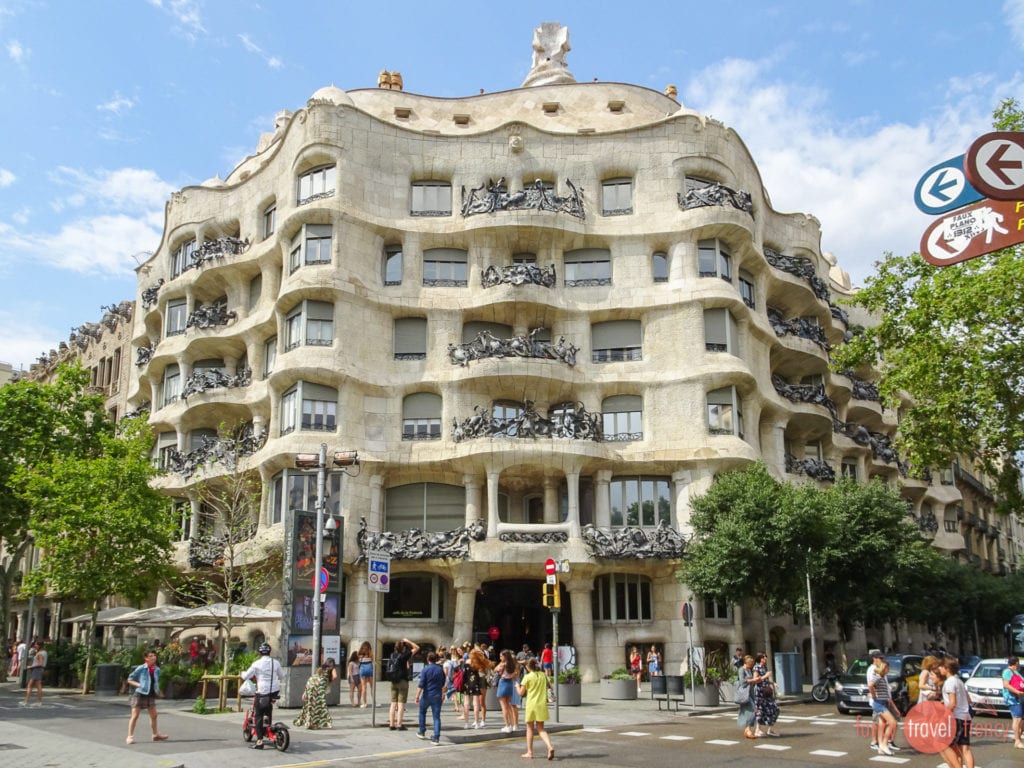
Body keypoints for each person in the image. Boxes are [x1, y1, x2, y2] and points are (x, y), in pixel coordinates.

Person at [240, 642, 284, 750]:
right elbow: (282, 675)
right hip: (274, 691)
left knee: (258, 714)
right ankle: (268, 726)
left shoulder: (256, 664)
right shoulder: (276, 663)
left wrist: (241, 673)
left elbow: (246, 676)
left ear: (260, 652)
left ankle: (259, 741)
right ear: (269, 652)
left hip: (263, 691)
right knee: (268, 708)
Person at [938, 656, 975, 768]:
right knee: (965, 749)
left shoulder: (949, 682)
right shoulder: (959, 681)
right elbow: (968, 700)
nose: (940, 669)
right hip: (965, 716)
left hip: (956, 718)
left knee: (944, 744)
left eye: (941, 667)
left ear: (947, 668)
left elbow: (953, 703)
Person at [126, 649, 168, 744]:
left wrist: (159, 692)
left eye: (154, 655)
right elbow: (130, 679)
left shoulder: (157, 669)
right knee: (135, 716)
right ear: (146, 658)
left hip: (150, 694)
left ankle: (155, 735)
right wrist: (139, 685)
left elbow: (155, 682)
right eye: (151, 656)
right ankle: (130, 737)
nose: (153, 657)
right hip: (140, 693)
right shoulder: (141, 668)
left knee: (154, 715)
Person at [516, 658, 555, 760]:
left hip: (531, 705)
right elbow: (551, 687)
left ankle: (530, 752)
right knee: (541, 729)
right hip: (542, 704)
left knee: (529, 728)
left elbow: (521, 693)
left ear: (528, 667)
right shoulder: (543, 675)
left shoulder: (527, 677)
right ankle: (549, 746)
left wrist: (516, 686)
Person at [866, 652, 899, 756]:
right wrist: (874, 696)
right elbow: (870, 685)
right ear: (883, 668)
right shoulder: (878, 675)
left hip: (883, 702)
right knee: (893, 722)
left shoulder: (882, 676)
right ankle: (884, 744)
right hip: (879, 703)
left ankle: (881, 746)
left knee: (882, 724)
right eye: (887, 668)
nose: (889, 670)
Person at [388, 638, 420, 731]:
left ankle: (391, 724)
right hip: (402, 681)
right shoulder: (404, 655)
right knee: (401, 704)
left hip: (393, 681)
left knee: (393, 703)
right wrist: (408, 641)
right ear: (403, 648)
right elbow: (417, 648)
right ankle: (399, 724)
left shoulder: (392, 655)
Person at [415, 651, 447, 745]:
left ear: (428, 659)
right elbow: (443, 683)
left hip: (427, 695)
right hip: (437, 695)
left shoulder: (425, 670)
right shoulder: (440, 670)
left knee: (422, 712)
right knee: (436, 717)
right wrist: (443, 694)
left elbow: (421, 685)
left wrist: (417, 696)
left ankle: (422, 731)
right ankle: (436, 738)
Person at [293, 662, 334, 730]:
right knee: (318, 710)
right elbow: (324, 686)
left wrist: (305, 693)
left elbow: (309, 683)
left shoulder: (315, 676)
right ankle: (313, 724)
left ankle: (310, 723)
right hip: (318, 696)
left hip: (311, 694)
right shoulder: (325, 676)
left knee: (310, 709)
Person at [751, 652, 780, 737]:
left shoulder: (764, 667)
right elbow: (755, 680)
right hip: (760, 692)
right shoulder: (756, 667)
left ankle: (770, 729)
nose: (766, 659)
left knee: (775, 709)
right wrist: (765, 676)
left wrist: (772, 683)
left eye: (766, 657)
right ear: (760, 658)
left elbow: (765, 679)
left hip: (767, 692)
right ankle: (757, 730)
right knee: (760, 711)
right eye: (764, 657)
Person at [465, 647, 492, 729]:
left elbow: (488, 670)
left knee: (480, 702)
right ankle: (479, 720)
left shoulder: (480, 662)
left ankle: (481, 720)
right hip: (479, 682)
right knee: (479, 702)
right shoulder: (473, 662)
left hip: (479, 682)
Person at [494, 649, 521, 733]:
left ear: (505, 656)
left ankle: (507, 726)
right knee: (509, 706)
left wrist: (501, 663)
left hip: (503, 683)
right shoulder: (512, 664)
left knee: (504, 707)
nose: (500, 657)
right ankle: (513, 725)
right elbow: (515, 674)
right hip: (510, 684)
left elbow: (495, 669)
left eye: (501, 656)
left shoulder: (502, 664)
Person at [1002, 656, 1024, 749]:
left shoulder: (1016, 672)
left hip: (1020, 698)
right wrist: (1017, 692)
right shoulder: (1008, 672)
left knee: (1021, 719)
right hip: (1013, 698)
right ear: (1016, 663)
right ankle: (1017, 741)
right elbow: (1006, 685)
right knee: (1017, 719)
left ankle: (1017, 736)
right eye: (1018, 662)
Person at [737, 655, 761, 739]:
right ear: (746, 663)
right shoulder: (741, 670)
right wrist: (753, 680)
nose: (751, 665)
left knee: (751, 711)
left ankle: (748, 730)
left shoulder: (749, 670)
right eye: (750, 664)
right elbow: (742, 682)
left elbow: (750, 682)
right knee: (753, 710)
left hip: (750, 693)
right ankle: (748, 730)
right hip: (745, 694)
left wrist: (755, 680)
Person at [22, 642, 46, 707]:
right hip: (39, 670)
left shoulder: (40, 653)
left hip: (37, 670)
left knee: (30, 685)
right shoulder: (44, 652)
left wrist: (30, 667)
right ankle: (38, 702)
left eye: (36, 644)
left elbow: (40, 663)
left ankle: (26, 701)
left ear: (39, 646)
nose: (35, 646)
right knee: (38, 686)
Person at [357, 640, 374, 708]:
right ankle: (374, 702)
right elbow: (372, 659)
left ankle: (365, 703)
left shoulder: (359, 654)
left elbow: (358, 661)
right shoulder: (370, 653)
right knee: (372, 687)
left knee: (364, 687)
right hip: (369, 668)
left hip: (363, 669)